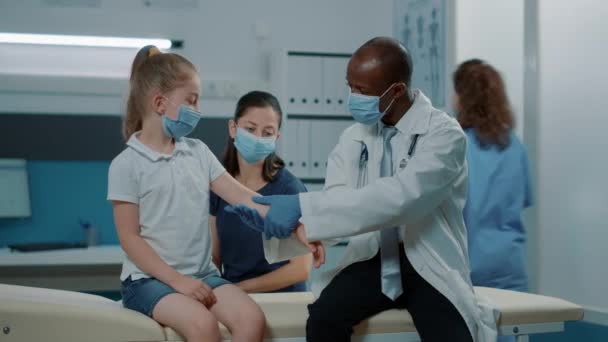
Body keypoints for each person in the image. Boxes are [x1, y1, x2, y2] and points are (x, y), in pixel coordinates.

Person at [227, 37, 497, 341]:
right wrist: (295, 228)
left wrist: (303, 206)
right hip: (374, 259)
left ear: (396, 90)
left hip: (427, 259)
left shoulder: (444, 135)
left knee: (452, 335)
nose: (352, 97)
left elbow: (402, 198)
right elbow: (341, 207)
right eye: (350, 86)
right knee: (323, 319)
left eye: (362, 91)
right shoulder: (354, 138)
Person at [107, 46, 267, 342]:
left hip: (203, 276)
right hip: (148, 281)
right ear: (159, 103)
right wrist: (178, 281)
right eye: (191, 100)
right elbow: (130, 239)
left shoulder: (198, 152)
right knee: (202, 326)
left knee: (252, 319)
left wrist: (296, 219)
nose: (198, 109)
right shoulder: (126, 164)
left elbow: (243, 197)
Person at [453, 59, 533, 342]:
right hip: (509, 267)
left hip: (467, 267)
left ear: (463, 97)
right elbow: (521, 200)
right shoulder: (515, 146)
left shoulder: (456, 147)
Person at [209, 91, 311, 293]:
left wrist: (240, 289)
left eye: (267, 132)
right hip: (233, 296)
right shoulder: (219, 184)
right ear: (233, 128)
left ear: (276, 137)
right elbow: (215, 257)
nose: (257, 138)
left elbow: (301, 269)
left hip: (281, 301)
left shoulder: (290, 189)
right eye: (250, 129)